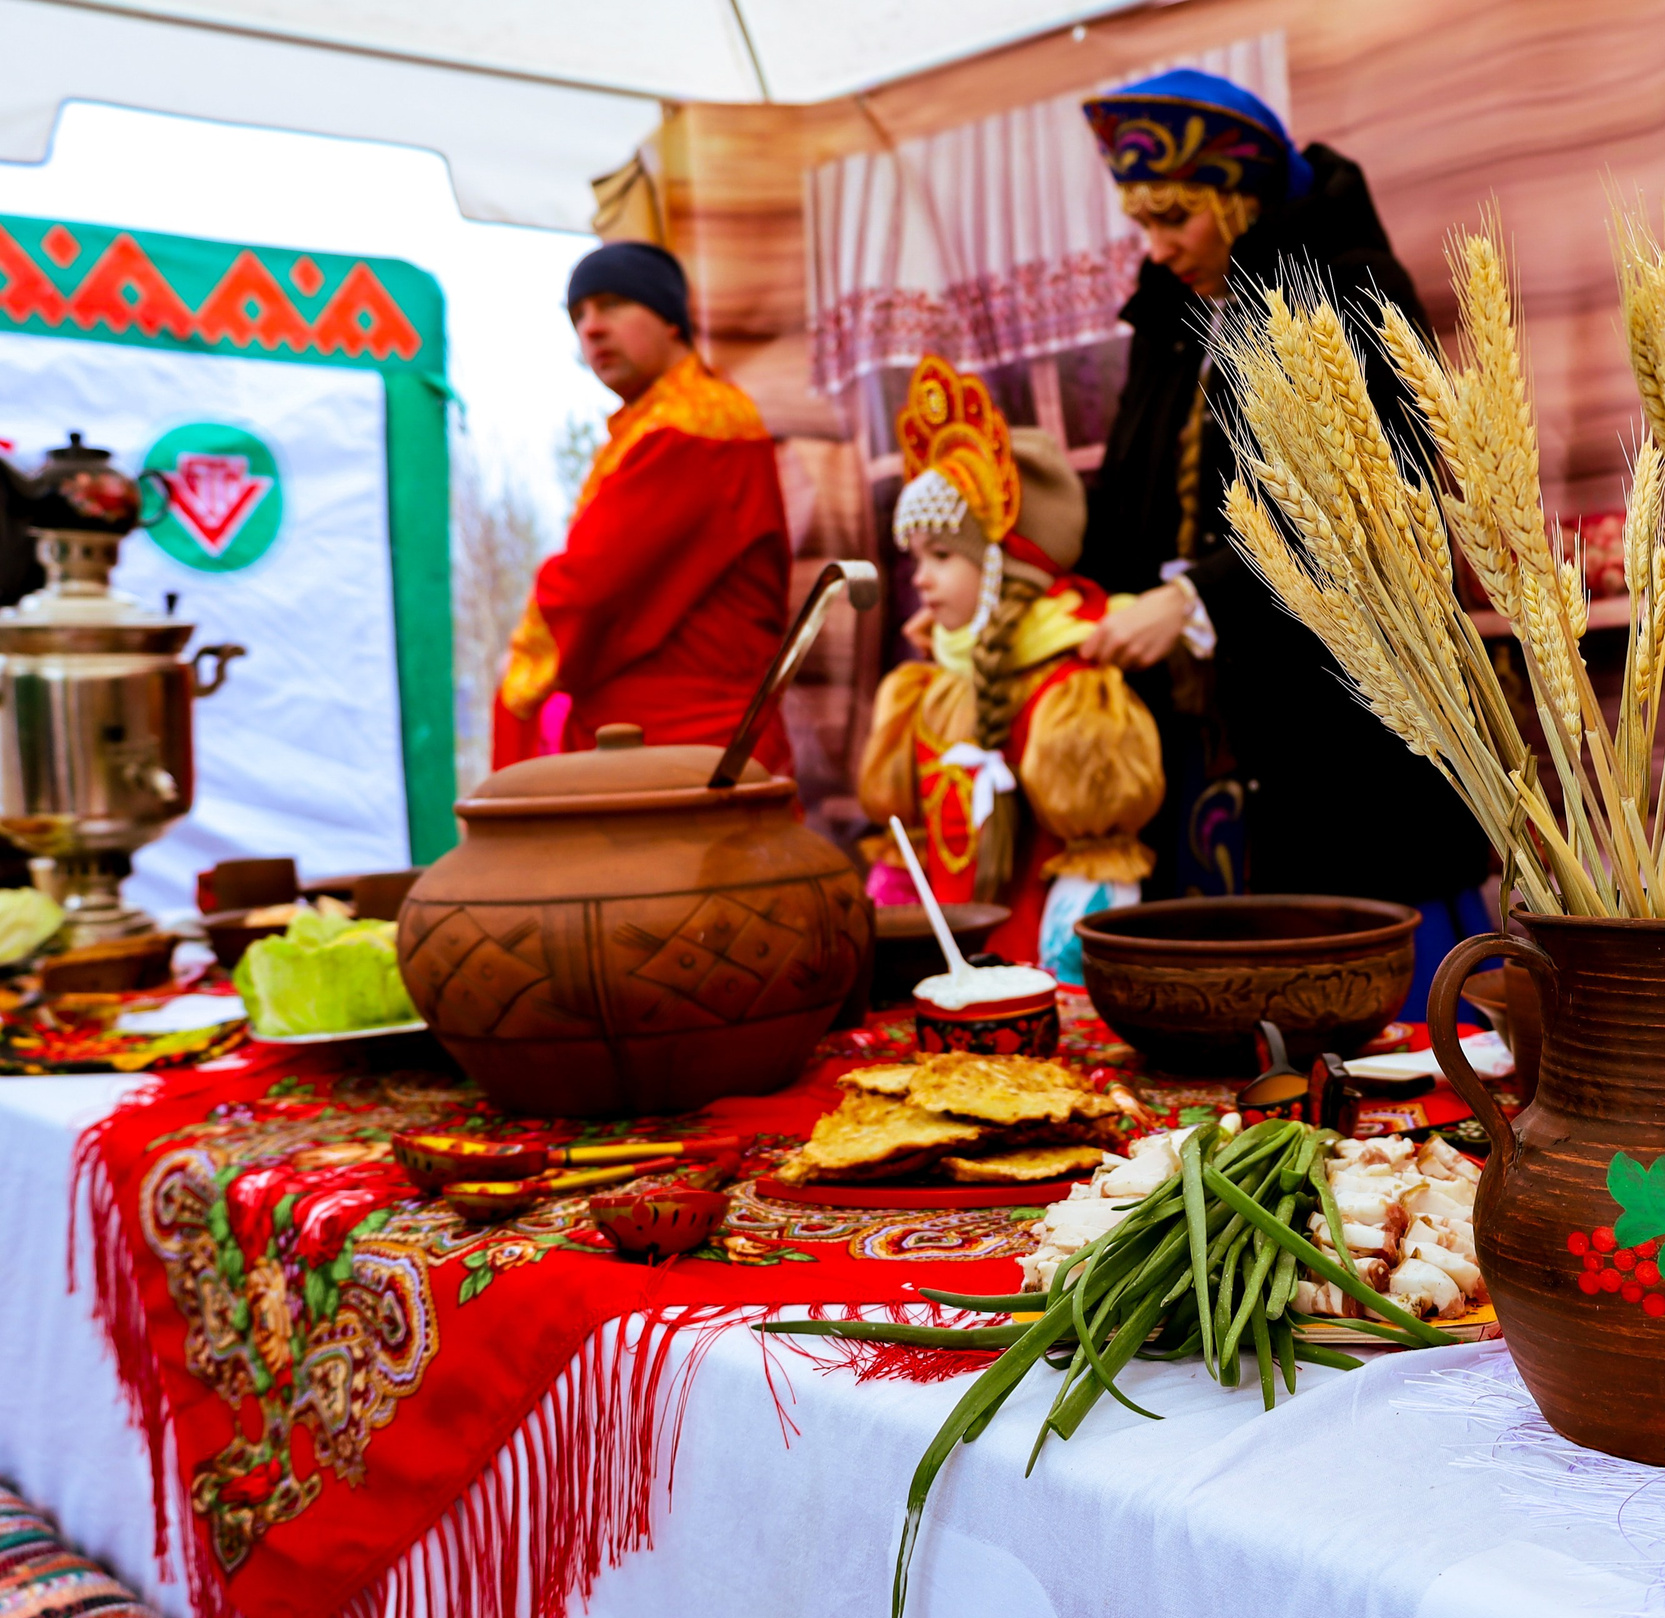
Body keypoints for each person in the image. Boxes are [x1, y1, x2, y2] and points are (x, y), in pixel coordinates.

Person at [1077, 69, 1492, 1013]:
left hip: (1339, 739)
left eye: (1175, 215)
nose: (1157, 246)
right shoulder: (1169, 320)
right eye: (1143, 222)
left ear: (1241, 194)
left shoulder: (1349, 287)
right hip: (1208, 746)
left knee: (1375, 1029)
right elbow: (1133, 501)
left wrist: (1197, 598)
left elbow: (1377, 507)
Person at [858, 357, 1164, 980]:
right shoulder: (926, 689)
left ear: (1004, 566)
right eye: (916, 558)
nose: (921, 579)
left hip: (1035, 982)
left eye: (943, 556)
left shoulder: (1069, 695)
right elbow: (907, 858)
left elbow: (1096, 873)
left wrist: (1068, 978)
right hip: (942, 979)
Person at [492, 241, 793, 774]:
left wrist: (523, 670)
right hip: (658, 750)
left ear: (671, 319)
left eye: (612, 304)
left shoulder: (696, 424)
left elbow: (589, 587)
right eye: (578, 315)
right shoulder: (651, 425)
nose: (591, 328)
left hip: (688, 753)